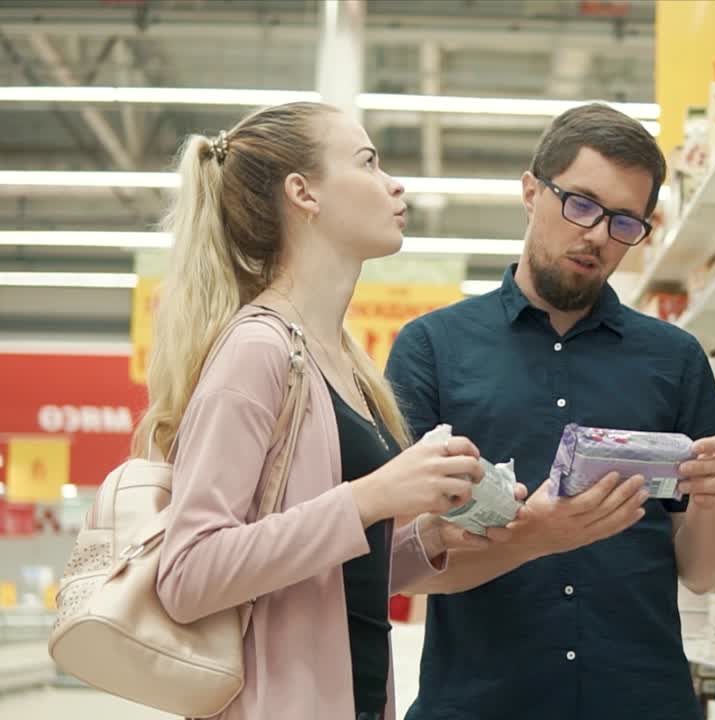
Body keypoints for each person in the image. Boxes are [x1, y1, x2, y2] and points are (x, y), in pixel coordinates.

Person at [136, 101, 523, 720]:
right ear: (303, 193)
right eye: (368, 163)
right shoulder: (255, 350)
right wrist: (374, 496)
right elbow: (188, 575)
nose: (394, 184)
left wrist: (430, 537)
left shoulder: (340, 362)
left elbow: (323, 579)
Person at [387, 103, 715, 720]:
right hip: (481, 703)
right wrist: (535, 535)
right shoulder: (432, 349)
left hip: (642, 702)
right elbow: (405, 564)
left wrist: (712, 505)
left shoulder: (675, 358)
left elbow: (704, 572)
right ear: (531, 191)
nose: (598, 236)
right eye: (581, 204)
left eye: (625, 222)